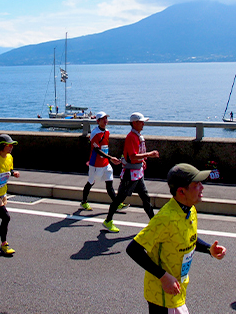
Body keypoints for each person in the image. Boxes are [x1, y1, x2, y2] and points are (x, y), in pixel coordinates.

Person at [126, 163, 226, 313]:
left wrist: (208, 249)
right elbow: (133, 249)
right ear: (181, 191)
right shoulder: (165, 219)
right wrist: (163, 277)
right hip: (161, 293)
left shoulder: (190, 209)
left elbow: (188, 238)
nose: (202, 187)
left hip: (177, 287)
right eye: (196, 184)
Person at [103, 112, 159, 233]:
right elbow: (133, 156)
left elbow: (134, 156)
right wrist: (149, 155)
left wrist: (143, 160)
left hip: (137, 173)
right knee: (119, 199)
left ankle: (154, 223)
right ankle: (108, 220)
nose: (143, 124)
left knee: (146, 198)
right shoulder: (131, 137)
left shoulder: (137, 135)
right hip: (130, 174)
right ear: (134, 123)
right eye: (141, 122)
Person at [80, 111, 127, 211]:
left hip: (106, 164)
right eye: (103, 119)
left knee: (109, 184)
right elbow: (97, 150)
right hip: (95, 164)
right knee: (90, 182)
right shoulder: (94, 133)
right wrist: (110, 158)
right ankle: (83, 202)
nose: (106, 121)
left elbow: (105, 147)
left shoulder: (107, 132)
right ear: (98, 121)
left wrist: (108, 159)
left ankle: (117, 203)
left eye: (106, 118)